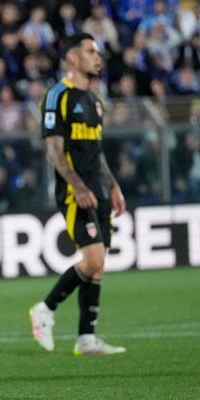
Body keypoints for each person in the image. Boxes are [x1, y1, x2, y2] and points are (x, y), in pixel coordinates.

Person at [30, 33, 127, 356]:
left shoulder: (95, 101)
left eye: (97, 51)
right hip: (75, 190)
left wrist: (112, 185)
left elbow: (96, 151)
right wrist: (77, 186)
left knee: (98, 266)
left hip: (98, 188)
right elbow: (54, 151)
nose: (97, 56)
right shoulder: (57, 95)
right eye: (90, 51)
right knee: (93, 258)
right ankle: (44, 309)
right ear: (73, 58)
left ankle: (86, 338)